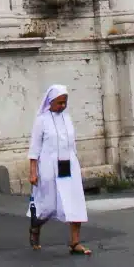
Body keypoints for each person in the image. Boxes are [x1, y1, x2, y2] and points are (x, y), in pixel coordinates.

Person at [28, 84, 91, 256]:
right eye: (59, 103)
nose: (62, 106)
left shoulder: (68, 118)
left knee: (75, 203)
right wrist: (33, 171)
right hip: (48, 166)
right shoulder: (41, 120)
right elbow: (34, 148)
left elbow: (72, 144)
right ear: (50, 101)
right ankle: (36, 226)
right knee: (48, 205)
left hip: (69, 165)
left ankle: (75, 242)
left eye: (65, 102)